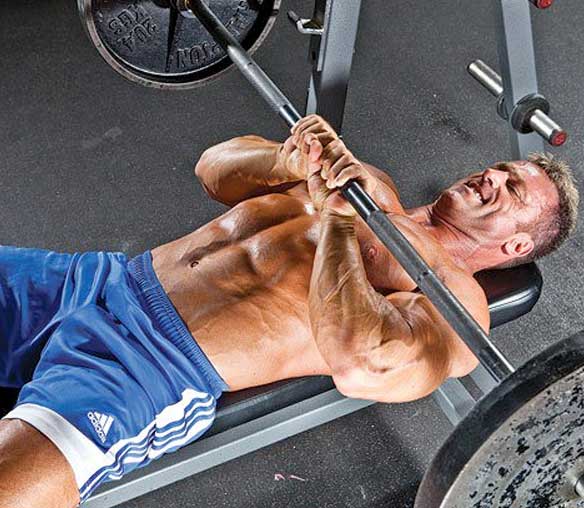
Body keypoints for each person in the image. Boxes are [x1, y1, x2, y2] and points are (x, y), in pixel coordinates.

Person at [0, 115, 578, 507]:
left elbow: (366, 365)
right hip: (97, 280)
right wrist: (284, 158)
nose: (493, 178)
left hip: (152, 368)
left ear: (517, 247)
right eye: (500, 169)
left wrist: (338, 226)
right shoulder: (368, 181)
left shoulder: (455, 301)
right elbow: (213, 169)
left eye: (513, 192)